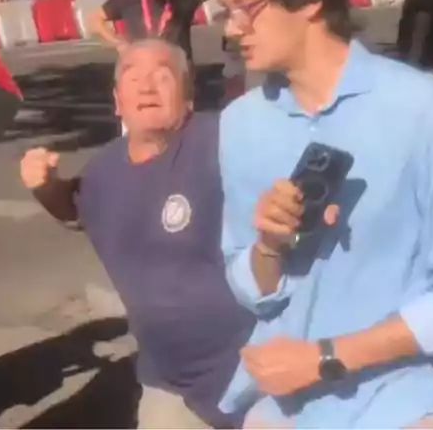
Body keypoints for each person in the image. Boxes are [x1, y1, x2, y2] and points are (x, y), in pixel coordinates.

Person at [210, 0, 433, 428]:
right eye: (225, 10)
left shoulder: (425, 112)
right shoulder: (241, 124)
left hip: (398, 405)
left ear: (309, 0)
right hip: (280, 410)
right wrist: (267, 249)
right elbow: (246, 282)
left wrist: (327, 356)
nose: (233, 28)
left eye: (246, 7)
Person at [20, 39, 280, 429]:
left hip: (259, 377)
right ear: (117, 102)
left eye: (162, 75)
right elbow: (76, 210)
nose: (146, 86)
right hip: (169, 385)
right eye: (132, 76)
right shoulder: (104, 171)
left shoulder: (222, 141)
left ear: (188, 95)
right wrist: (45, 188)